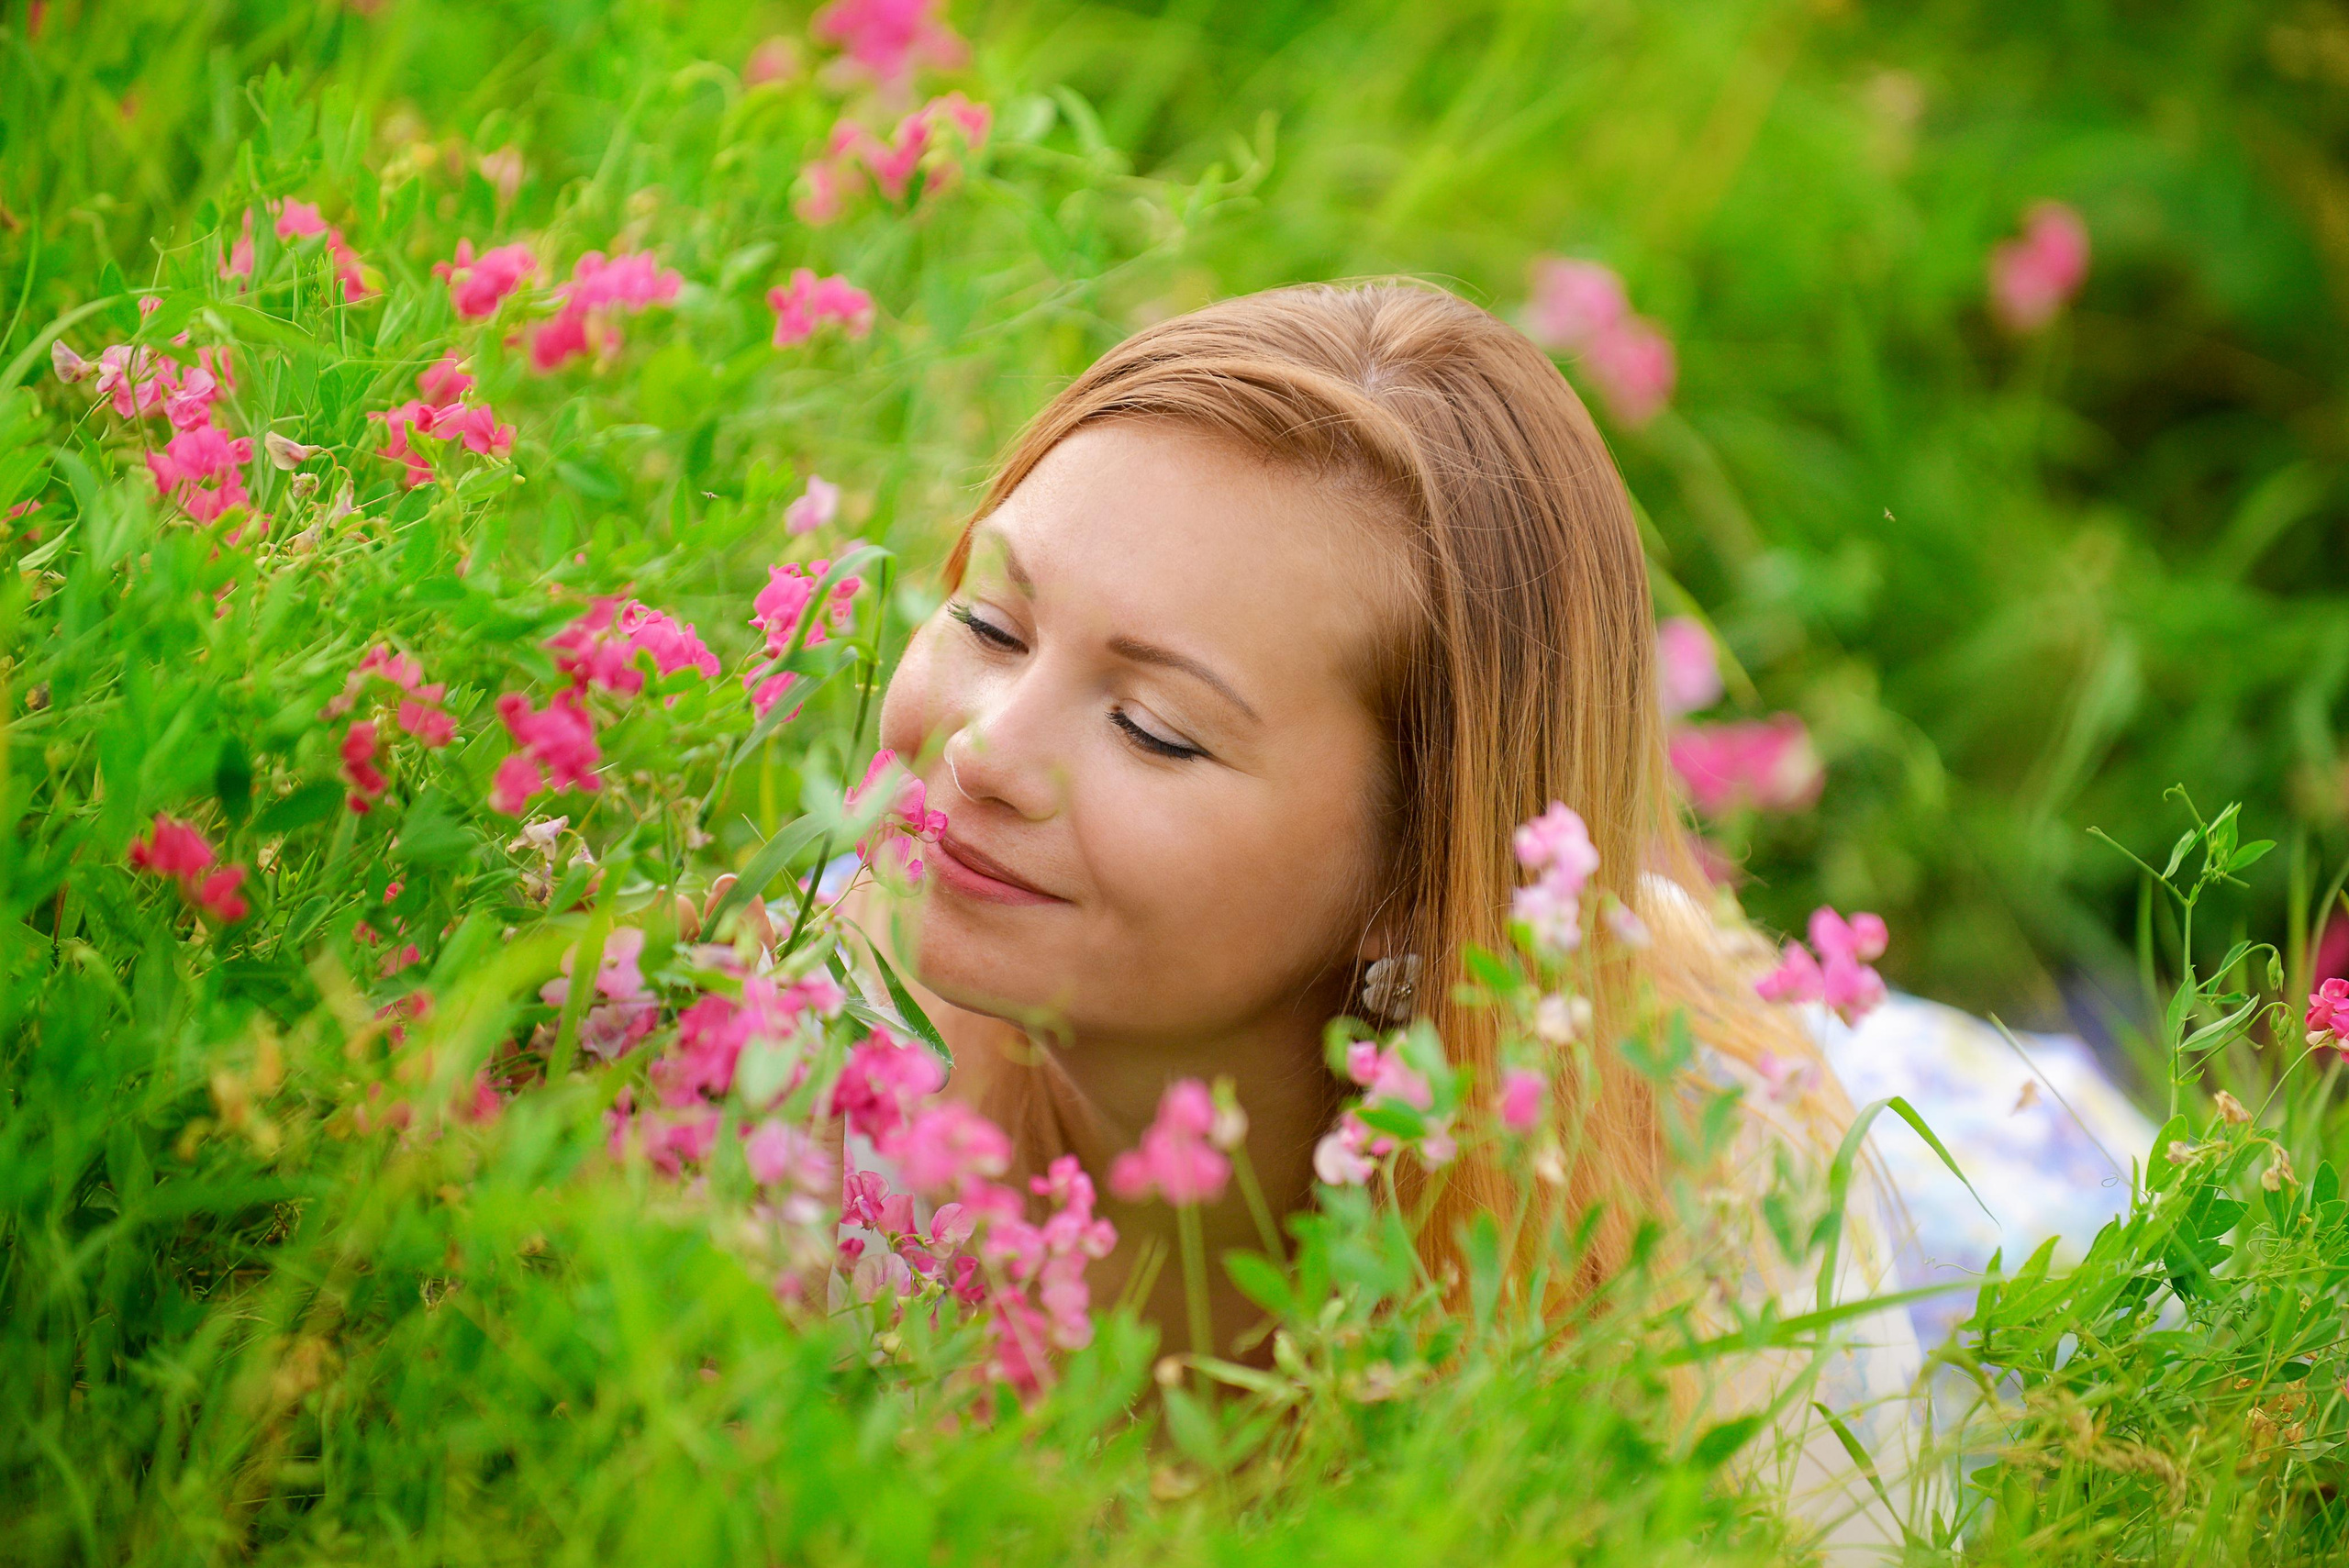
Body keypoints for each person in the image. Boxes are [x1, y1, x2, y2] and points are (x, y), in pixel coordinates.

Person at [849, 280, 1922, 1554]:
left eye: (1156, 728)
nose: (982, 750)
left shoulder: (1696, 1223)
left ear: (1414, 866)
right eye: (990, 622)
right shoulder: (806, 1026)